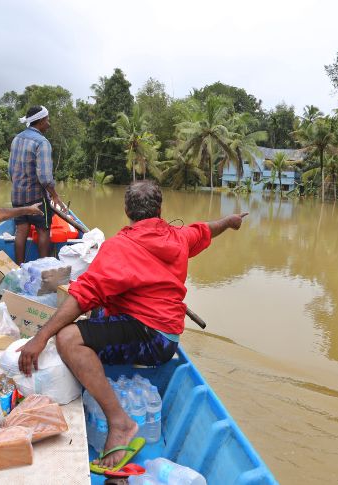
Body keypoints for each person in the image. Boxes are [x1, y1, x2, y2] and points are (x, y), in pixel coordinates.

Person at [16, 180, 248, 469]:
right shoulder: (179, 237)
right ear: (160, 210)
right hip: (168, 335)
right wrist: (231, 220)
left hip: (150, 337)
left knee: (67, 338)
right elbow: (206, 229)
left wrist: (41, 337)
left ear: (126, 210)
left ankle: (120, 422)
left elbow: (83, 295)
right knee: (99, 313)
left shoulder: (120, 247)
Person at [8, 105, 68, 264]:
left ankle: (20, 268)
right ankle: (44, 268)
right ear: (40, 121)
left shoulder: (17, 139)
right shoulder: (42, 142)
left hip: (17, 196)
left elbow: (10, 171)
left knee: (21, 230)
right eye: (47, 119)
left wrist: (18, 188)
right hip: (37, 198)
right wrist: (55, 196)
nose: (49, 123)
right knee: (43, 230)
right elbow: (45, 177)